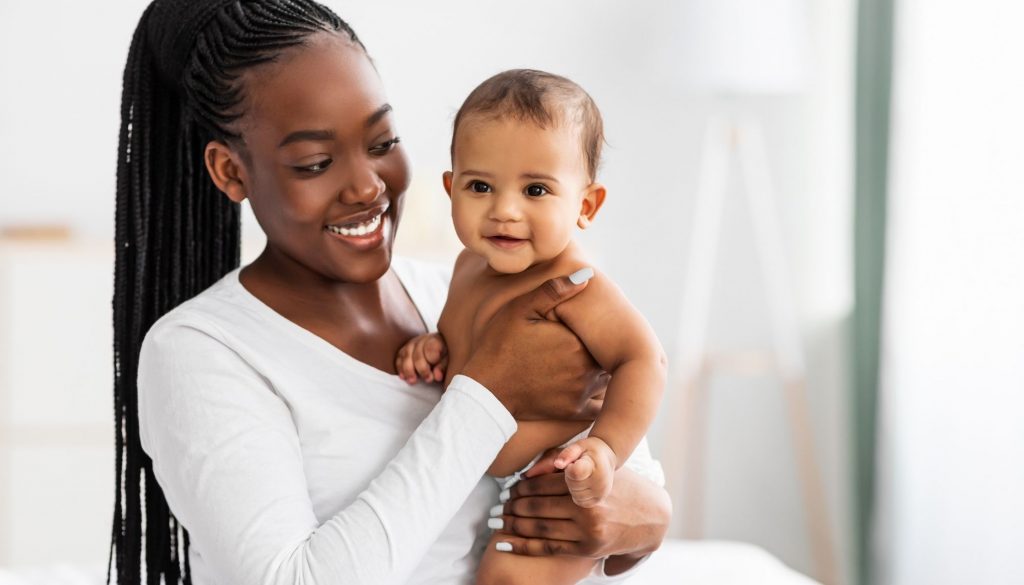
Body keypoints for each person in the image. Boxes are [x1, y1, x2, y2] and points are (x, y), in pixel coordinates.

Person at [108, 1, 671, 584]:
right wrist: (483, 396)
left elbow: (631, 469)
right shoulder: (203, 351)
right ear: (230, 171)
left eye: (382, 142)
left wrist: (645, 516)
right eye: (316, 162)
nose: (367, 185)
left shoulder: (458, 288)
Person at [394, 70, 666, 584]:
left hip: (572, 468)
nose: (504, 211)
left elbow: (644, 359)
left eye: (536, 189)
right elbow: (475, 350)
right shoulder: (467, 266)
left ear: (585, 205)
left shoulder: (578, 285)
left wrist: (605, 449)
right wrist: (435, 347)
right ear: (451, 188)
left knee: (509, 576)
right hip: (511, 475)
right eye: (480, 186)